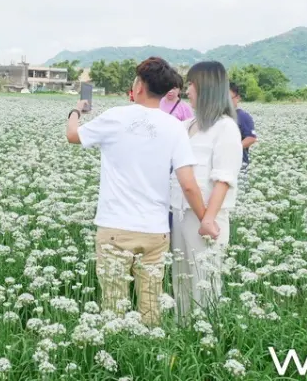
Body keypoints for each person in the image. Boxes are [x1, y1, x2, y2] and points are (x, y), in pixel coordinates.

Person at [66, 57, 207, 326]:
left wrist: (75, 112)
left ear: (139, 85)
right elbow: (188, 183)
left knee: (113, 305)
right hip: (155, 231)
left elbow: (73, 136)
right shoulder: (175, 128)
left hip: (114, 229)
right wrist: (206, 220)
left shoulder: (116, 117)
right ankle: (151, 355)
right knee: (151, 306)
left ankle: (118, 361)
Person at [169, 61, 242, 320]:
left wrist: (207, 219)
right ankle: (182, 331)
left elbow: (224, 178)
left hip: (206, 216)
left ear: (206, 88)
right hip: (179, 211)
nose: (187, 90)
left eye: (191, 84)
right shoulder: (187, 125)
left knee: (205, 281)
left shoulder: (226, 127)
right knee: (182, 278)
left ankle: (206, 337)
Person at [229, 83, 257, 193]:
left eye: (229, 98)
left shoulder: (243, 116)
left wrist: (232, 148)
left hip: (239, 162)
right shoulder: (217, 115)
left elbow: (251, 138)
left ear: (238, 98)